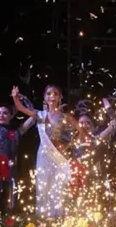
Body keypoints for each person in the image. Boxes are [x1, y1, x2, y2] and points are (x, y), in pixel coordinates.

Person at [11, 84, 85, 217]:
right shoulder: (39, 115)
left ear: (60, 97)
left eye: (55, 93)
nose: (52, 96)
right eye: (49, 93)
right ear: (44, 97)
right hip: (43, 154)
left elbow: (81, 131)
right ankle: (43, 216)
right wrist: (15, 97)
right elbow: (21, 108)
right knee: (43, 184)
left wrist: (68, 146)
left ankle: (58, 216)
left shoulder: (65, 116)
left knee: (58, 185)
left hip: (59, 154)